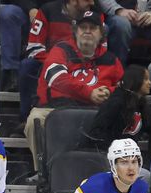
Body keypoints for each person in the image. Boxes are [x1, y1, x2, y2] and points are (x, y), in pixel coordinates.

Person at [25, 10, 124, 165]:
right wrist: (89, 92)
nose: (87, 31)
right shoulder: (61, 50)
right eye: (83, 27)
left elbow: (122, 89)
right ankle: (43, 173)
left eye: (93, 28)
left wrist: (108, 92)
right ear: (76, 31)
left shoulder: (111, 60)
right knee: (35, 119)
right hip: (55, 108)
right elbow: (56, 78)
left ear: (101, 33)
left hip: (95, 112)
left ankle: (107, 169)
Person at [84, 64, 151, 151]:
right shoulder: (116, 102)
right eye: (145, 79)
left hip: (130, 155)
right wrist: (115, 149)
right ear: (135, 80)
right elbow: (97, 132)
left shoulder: (141, 104)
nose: (150, 82)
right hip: (111, 153)